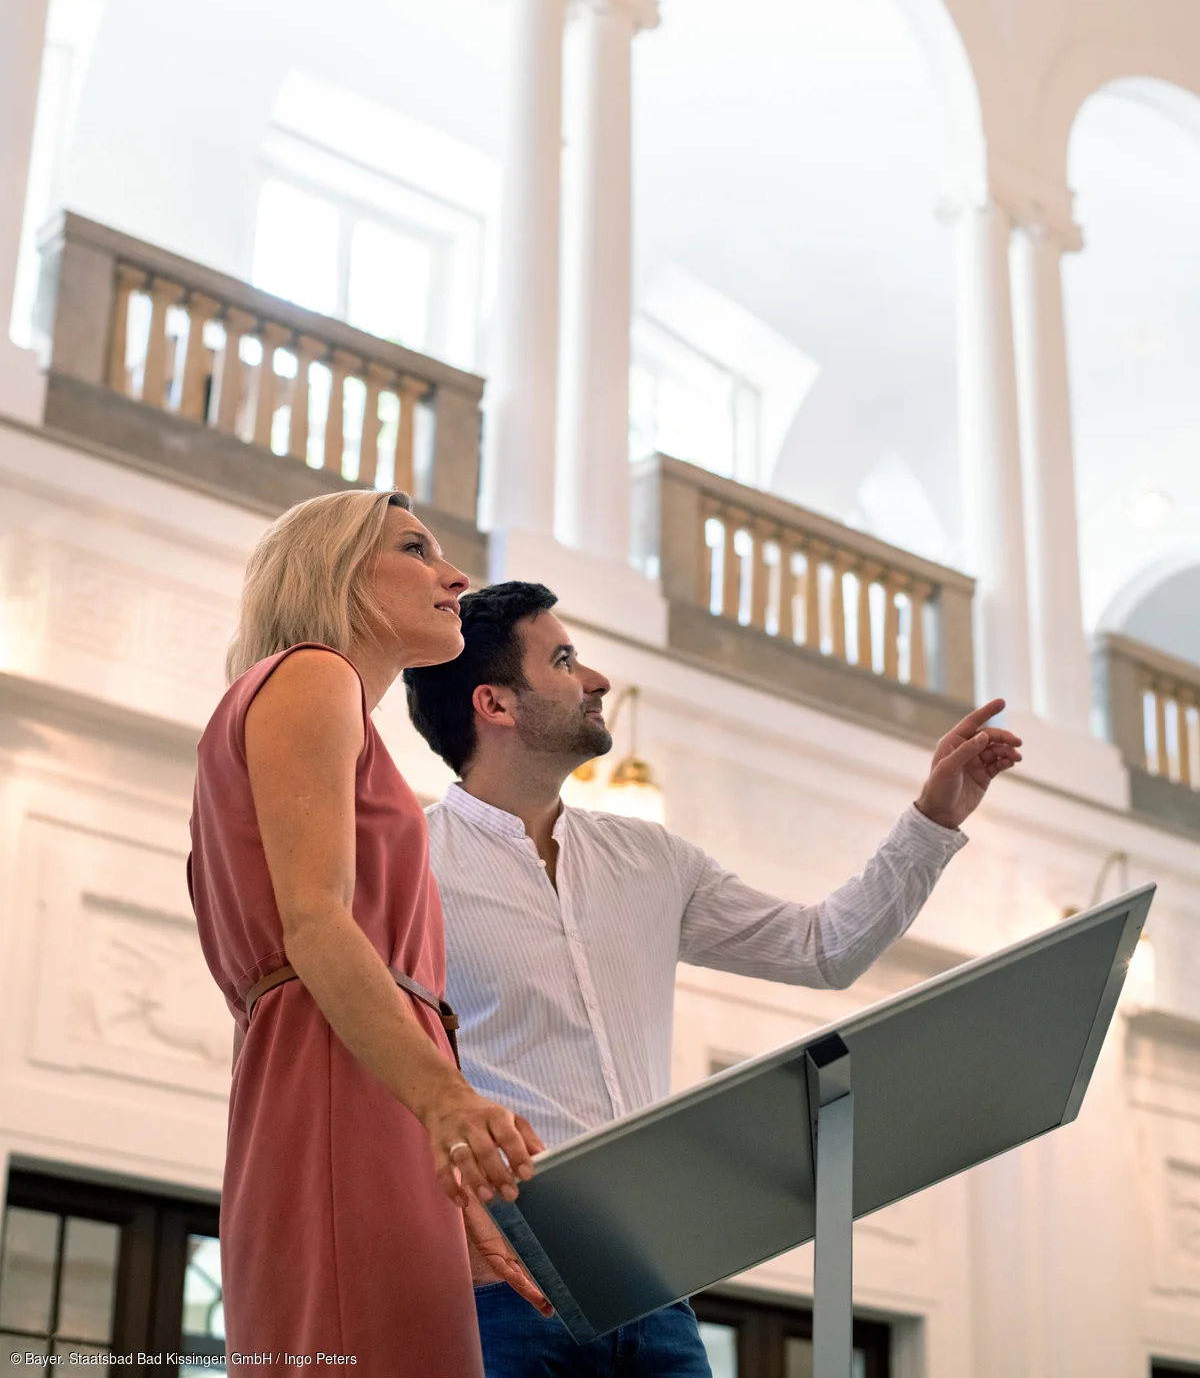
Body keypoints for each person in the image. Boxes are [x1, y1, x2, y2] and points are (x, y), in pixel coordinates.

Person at [405, 580, 1022, 1378]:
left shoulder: (653, 860)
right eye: (563, 661)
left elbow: (823, 947)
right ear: (495, 704)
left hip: (652, 1289)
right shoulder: (410, 865)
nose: (597, 680)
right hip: (500, 1292)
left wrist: (934, 820)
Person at [188, 493, 551, 1377]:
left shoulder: (313, 700)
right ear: (336, 573)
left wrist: (440, 1131)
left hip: (341, 1075)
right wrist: (447, 1102)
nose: (455, 577)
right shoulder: (313, 675)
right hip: (341, 1074)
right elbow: (317, 924)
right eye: (416, 550)